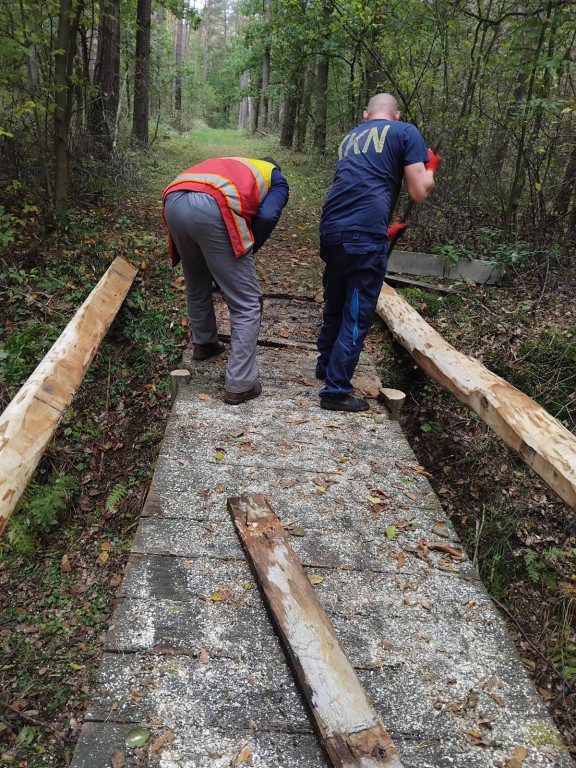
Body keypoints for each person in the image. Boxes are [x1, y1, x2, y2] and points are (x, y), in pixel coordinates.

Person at [315, 93, 440, 412]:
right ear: (395, 115)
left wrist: (380, 231)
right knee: (356, 312)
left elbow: (353, 186)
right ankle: (336, 389)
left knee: (336, 300)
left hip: (332, 229)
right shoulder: (405, 132)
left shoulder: (349, 137)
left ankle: (325, 366)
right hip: (364, 233)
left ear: (366, 114)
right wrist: (430, 169)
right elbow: (418, 192)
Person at [162, 156, 289, 404]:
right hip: (211, 204)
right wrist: (246, 250)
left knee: (197, 283)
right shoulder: (276, 178)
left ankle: (204, 343)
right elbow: (268, 216)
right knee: (247, 302)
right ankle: (241, 383)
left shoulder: (237, 165)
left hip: (173, 199)